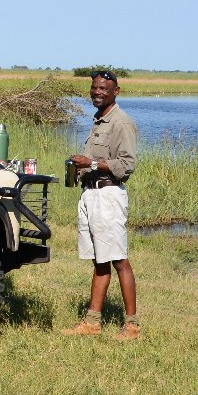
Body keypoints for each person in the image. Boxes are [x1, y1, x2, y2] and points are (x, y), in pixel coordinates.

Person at [62, 70, 140, 340]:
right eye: (94, 88)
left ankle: (132, 326)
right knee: (100, 261)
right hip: (91, 194)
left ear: (116, 92)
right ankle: (93, 322)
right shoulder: (99, 120)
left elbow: (127, 165)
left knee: (119, 260)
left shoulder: (121, 122)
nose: (97, 92)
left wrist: (91, 163)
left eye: (103, 89)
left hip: (108, 196)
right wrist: (81, 167)